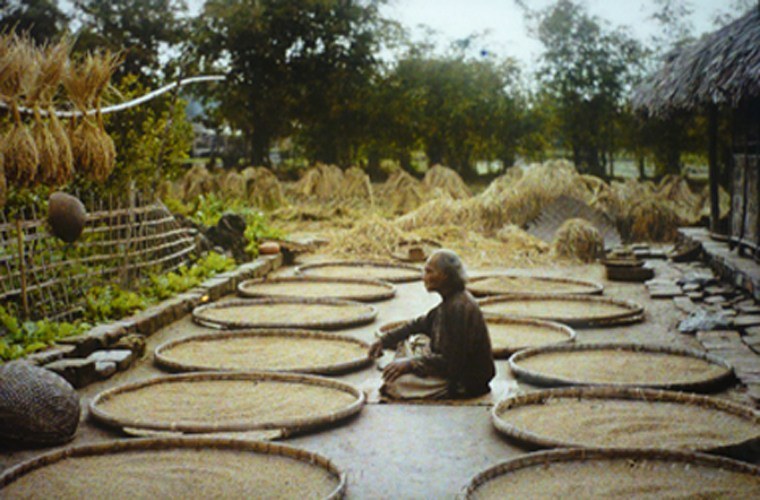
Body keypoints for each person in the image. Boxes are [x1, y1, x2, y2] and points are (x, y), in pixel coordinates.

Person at [368, 249, 495, 400]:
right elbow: (418, 324)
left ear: (445, 275)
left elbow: (451, 364)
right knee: (411, 342)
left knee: (394, 385)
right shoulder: (451, 300)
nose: (424, 277)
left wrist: (410, 364)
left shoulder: (458, 308)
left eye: (429, 272)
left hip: (466, 382)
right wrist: (384, 340)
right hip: (450, 365)